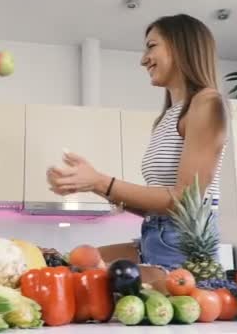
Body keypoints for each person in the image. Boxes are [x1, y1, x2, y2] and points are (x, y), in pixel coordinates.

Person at [47, 14, 227, 270]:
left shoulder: (206, 103)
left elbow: (185, 200)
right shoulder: (165, 118)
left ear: (180, 46)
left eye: (152, 46)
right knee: (75, 264)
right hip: (155, 236)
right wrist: (89, 183)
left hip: (182, 246)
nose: (143, 60)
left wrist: (99, 180)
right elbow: (161, 207)